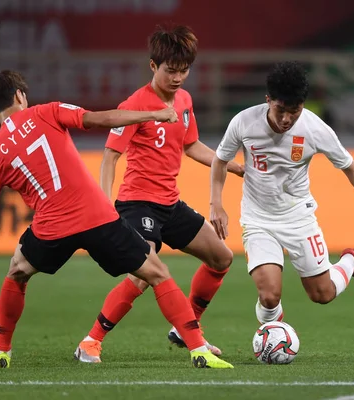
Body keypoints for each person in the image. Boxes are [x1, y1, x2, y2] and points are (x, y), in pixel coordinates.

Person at [0, 70, 233, 369]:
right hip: (97, 216)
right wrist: (150, 115)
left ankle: (1, 353)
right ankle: (198, 350)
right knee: (156, 273)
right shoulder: (47, 111)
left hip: (51, 229)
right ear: (21, 95)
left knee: (17, 272)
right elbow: (101, 118)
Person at [74, 24, 244, 363]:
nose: (178, 77)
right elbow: (110, 156)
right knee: (144, 274)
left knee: (222, 258)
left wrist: (232, 166)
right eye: (171, 70)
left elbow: (191, 145)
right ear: (154, 66)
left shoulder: (184, 100)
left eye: (184, 70)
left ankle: (185, 328)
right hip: (137, 204)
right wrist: (105, 207)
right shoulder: (135, 105)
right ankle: (90, 341)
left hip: (170, 204)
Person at [210, 61, 354, 326]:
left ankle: (350, 262)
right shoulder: (244, 122)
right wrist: (216, 203)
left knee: (322, 294)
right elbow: (220, 160)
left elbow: (350, 167)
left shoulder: (315, 129)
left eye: (294, 111)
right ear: (268, 100)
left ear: (303, 106)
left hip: (299, 218)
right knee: (269, 295)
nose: (286, 119)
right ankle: (272, 335)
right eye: (280, 110)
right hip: (258, 219)